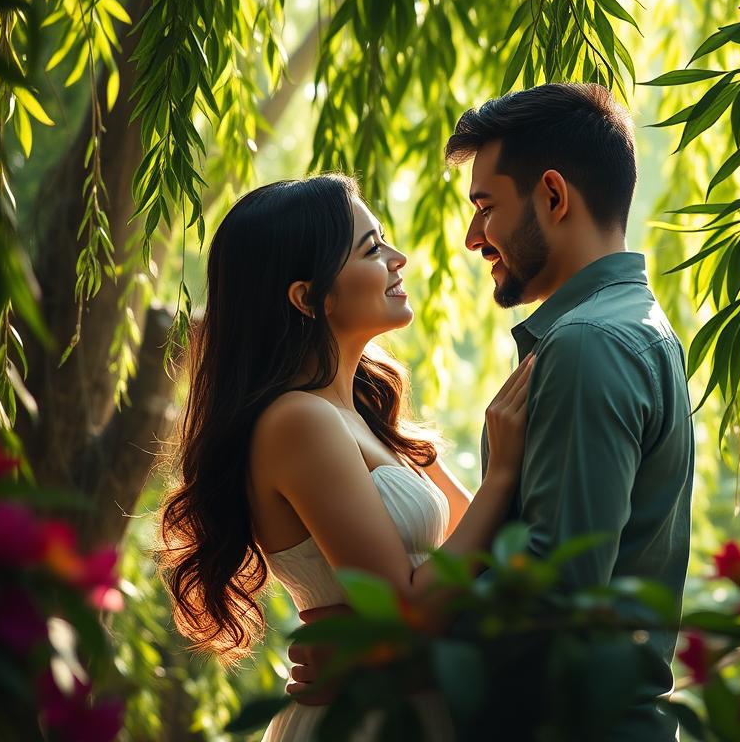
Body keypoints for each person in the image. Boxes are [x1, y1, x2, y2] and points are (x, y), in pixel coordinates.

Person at [157, 175, 533, 741]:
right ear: (308, 297)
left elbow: (470, 549)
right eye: (371, 249)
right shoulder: (298, 421)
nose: (398, 258)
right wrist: (502, 473)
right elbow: (405, 609)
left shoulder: (367, 414)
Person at [444, 82, 695, 740]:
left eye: (485, 206)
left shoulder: (588, 344)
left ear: (553, 196)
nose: (474, 237)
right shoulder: (636, 327)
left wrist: (380, 654)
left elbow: (553, 610)